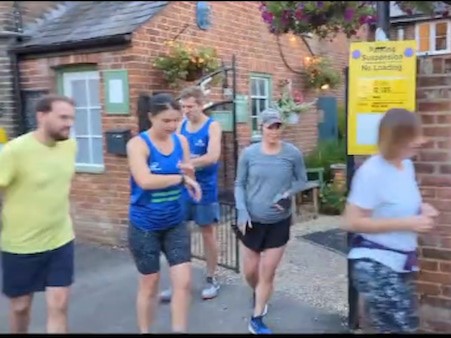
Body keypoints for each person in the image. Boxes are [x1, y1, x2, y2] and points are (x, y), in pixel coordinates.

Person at [342, 108, 439, 333]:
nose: (420, 141)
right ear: (397, 139)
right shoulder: (371, 172)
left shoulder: (407, 166)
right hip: (375, 264)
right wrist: (407, 223)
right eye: (413, 136)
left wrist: (421, 208)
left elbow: (397, 204)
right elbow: (351, 221)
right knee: (400, 327)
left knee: (403, 324)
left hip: (400, 262)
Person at [0, 95, 77, 334]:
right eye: (63, 117)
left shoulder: (70, 145)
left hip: (60, 238)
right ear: (42, 116)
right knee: (21, 307)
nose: (69, 123)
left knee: (59, 303)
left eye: (72, 118)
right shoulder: (14, 151)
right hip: (21, 244)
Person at [127, 93, 202, 334]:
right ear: (151, 117)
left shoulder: (182, 142)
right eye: (166, 121)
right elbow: (145, 180)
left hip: (175, 221)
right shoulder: (138, 144)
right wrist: (181, 179)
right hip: (145, 225)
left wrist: (191, 179)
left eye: (176, 120)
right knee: (150, 284)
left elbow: (189, 176)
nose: (172, 126)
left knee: (184, 282)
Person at [234, 108, 308, 334]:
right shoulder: (249, 154)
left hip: (278, 222)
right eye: (270, 127)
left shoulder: (292, 153)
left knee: (267, 271)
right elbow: (239, 184)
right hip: (252, 221)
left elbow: (301, 181)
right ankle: (259, 294)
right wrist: (242, 211)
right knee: (250, 271)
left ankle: (256, 318)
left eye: (278, 127)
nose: (274, 132)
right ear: (262, 128)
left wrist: (286, 195)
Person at [160, 86, 222, 302]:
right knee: (177, 233)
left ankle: (212, 278)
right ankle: (179, 283)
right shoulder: (182, 126)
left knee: (207, 233)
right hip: (183, 187)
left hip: (204, 188)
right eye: (183, 107)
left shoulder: (212, 126)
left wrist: (186, 164)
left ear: (201, 105)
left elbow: (212, 157)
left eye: (190, 106)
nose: (186, 111)